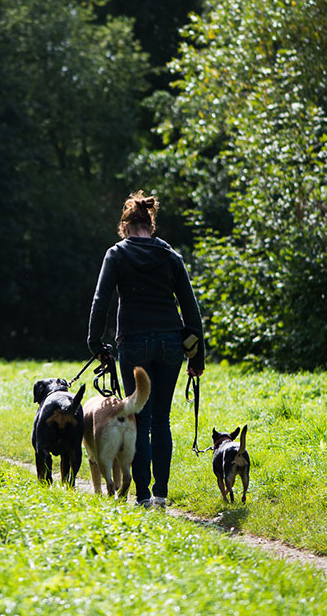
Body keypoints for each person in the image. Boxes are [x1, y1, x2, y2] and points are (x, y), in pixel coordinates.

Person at [87, 190, 204, 508]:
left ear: (125, 227)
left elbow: (102, 299)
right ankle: (161, 494)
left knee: (140, 420)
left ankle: (142, 496)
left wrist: (95, 342)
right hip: (170, 343)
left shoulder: (117, 254)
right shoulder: (170, 256)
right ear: (150, 226)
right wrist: (198, 358)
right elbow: (192, 312)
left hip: (134, 344)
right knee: (161, 420)